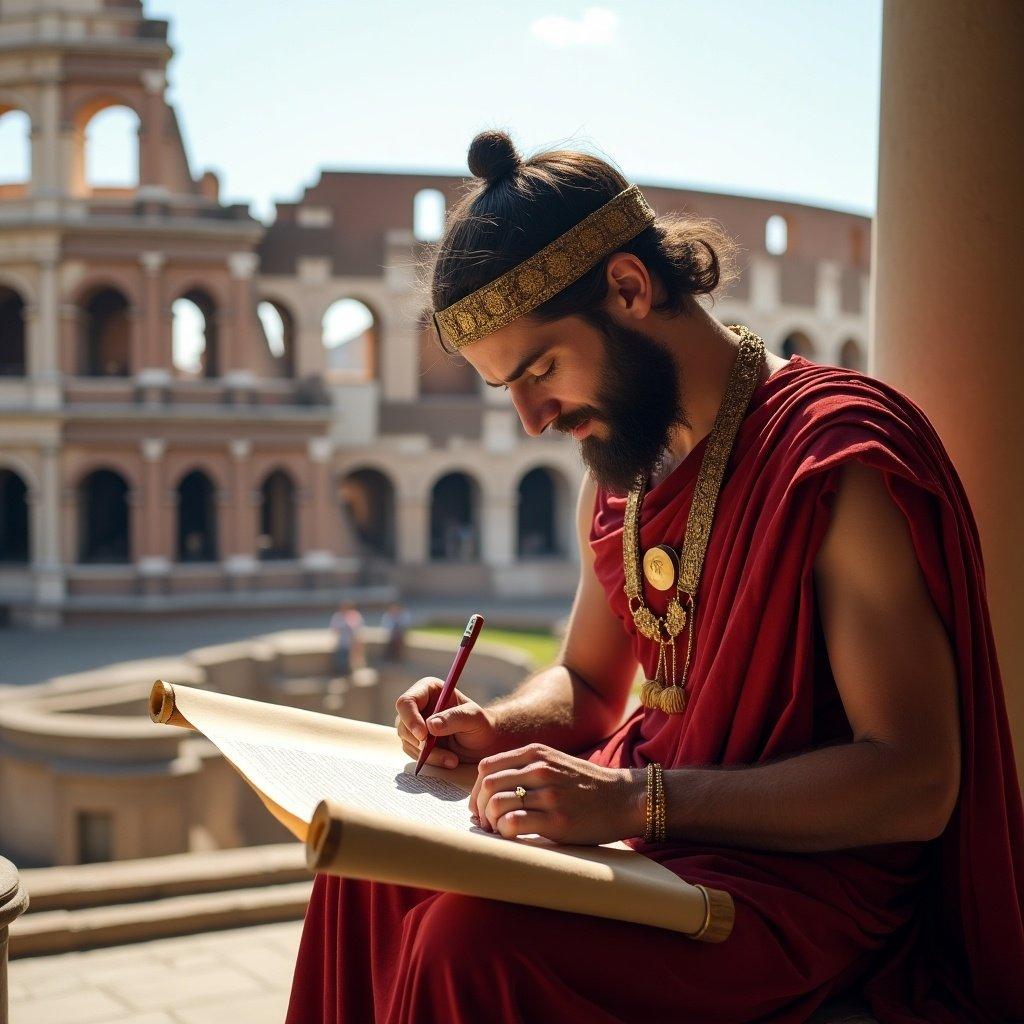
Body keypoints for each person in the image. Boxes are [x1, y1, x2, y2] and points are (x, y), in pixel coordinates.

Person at [287, 131, 1024, 1023]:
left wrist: (637, 797)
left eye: (540, 371)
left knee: (468, 947)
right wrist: (495, 726)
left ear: (630, 289)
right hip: (652, 826)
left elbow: (914, 782)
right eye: (506, 390)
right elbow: (591, 683)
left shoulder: (835, 458)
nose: (530, 420)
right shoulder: (622, 463)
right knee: (369, 872)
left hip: (798, 885)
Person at [328, 600, 364, 679]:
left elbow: (358, 631)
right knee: (340, 661)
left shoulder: (355, 616)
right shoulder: (337, 617)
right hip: (342, 643)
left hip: (352, 644)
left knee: (352, 663)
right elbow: (334, 630)